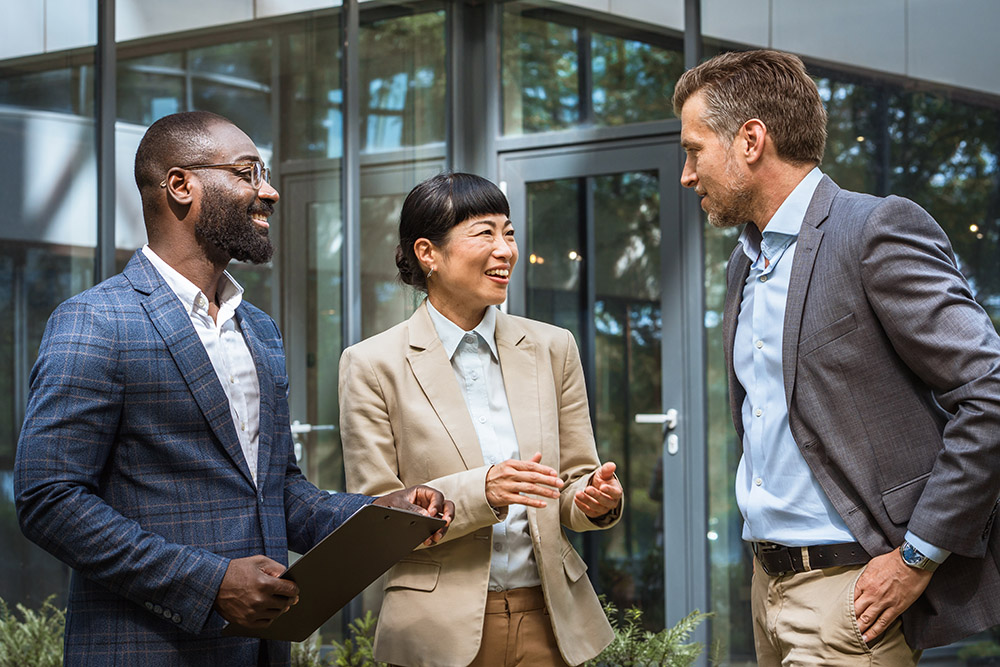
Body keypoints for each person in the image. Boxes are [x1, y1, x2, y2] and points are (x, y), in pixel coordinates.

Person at [13, 111, 454, 667]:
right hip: (146, 651)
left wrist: (377, 514)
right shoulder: (95, 321)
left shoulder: (259, 329)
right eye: (247, 173)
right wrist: (210, 582)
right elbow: (48, 499)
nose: (266, 191)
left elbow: (277, 492)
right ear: (181, 185)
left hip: (262, 652)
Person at [673, 49, 1000, 665]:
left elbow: (989, 392)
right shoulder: (744, 260)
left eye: (693, 150)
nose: (687, 174)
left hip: (850, 595)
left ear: (751, 140)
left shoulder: (874, 230)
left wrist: (918, 556)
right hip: (765, 589)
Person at [339, 172, 624, 667]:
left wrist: (593, 500)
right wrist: (483, 491)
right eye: (484, 233)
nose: (505, 249)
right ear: (428, 253)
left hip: (550, 619)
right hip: (437, 629)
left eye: (508, 232)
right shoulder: (371, 364)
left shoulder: (553, 348)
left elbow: (570, 486)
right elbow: (377, 517)